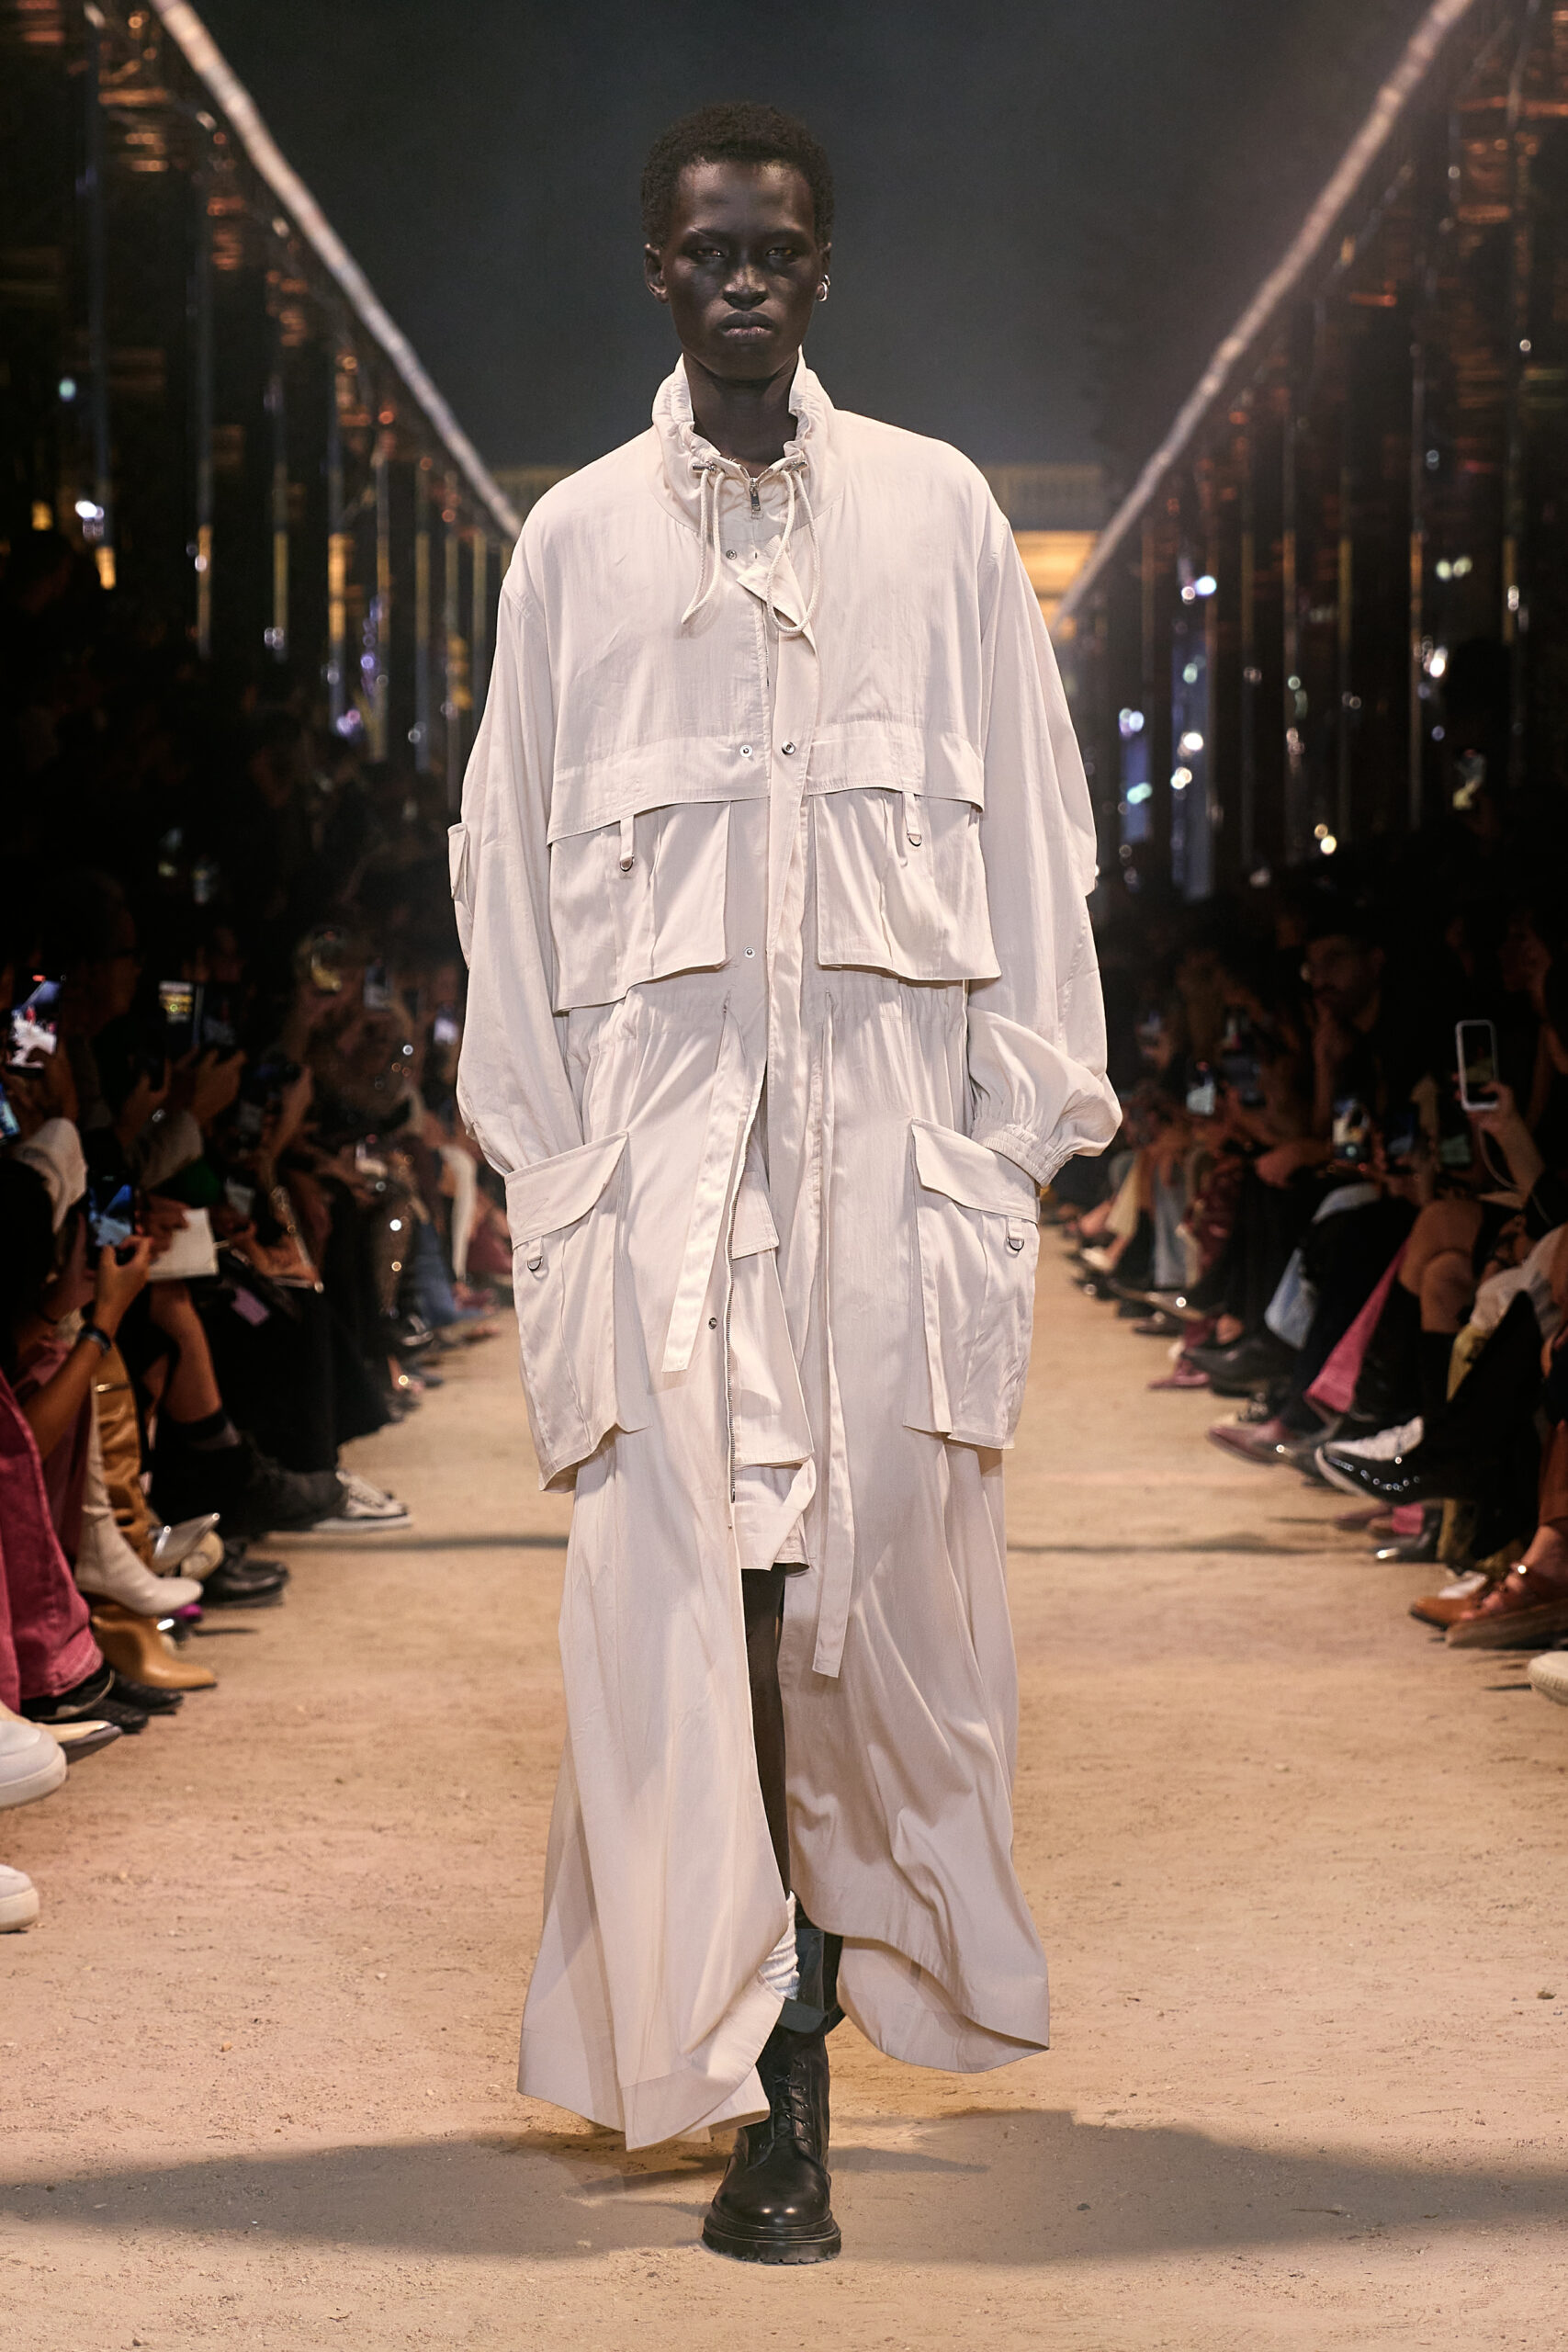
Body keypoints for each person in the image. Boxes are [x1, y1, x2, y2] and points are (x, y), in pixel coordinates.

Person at [453, 101, 1118, 2264]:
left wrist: (1003, 1144)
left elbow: (1033, 843)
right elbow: (504, 881)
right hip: (662, 1185)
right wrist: (558, 1185)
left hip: (887, 1176)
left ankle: (809, 2017)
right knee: (696, 1613)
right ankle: (776, 2075)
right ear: (655, 266)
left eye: (776, 248)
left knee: (870, 1613)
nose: (742, 279)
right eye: (708, 248)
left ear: (821, 269)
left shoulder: (934, 515)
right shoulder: (573, 544)